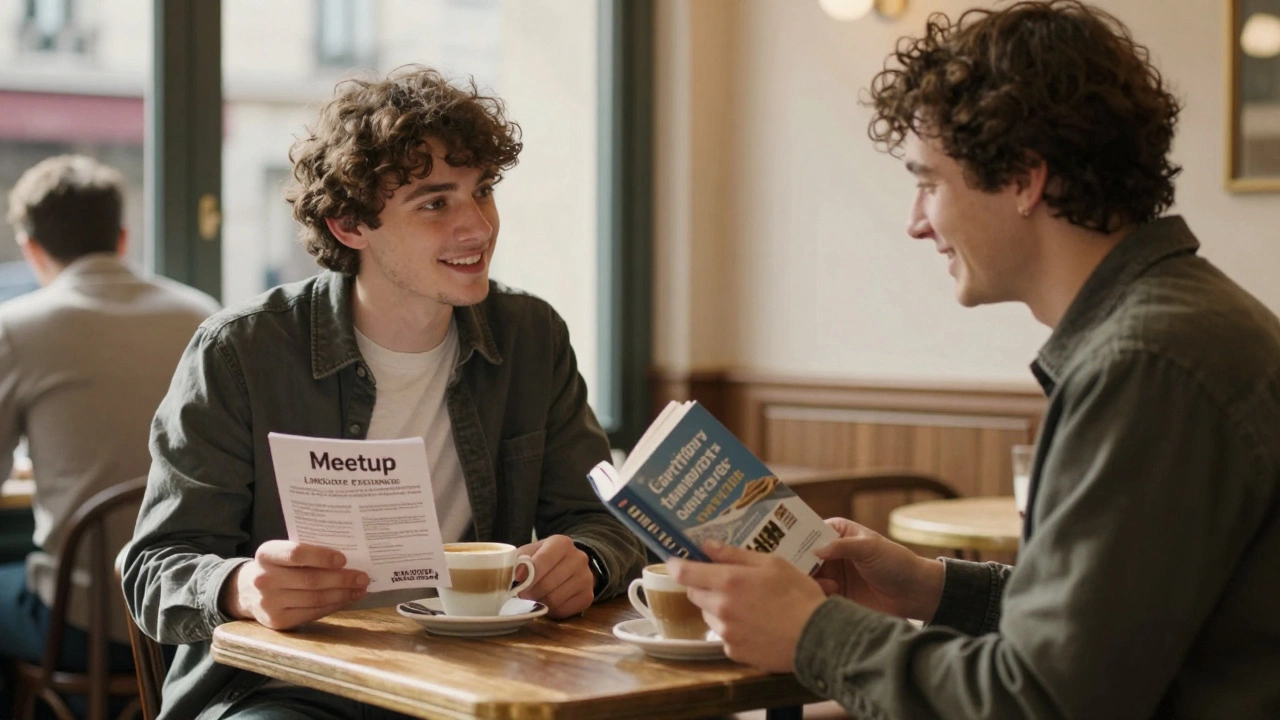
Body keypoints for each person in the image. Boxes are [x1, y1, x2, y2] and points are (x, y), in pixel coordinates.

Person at [669, 2, 1280, 718]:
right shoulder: (1176, 327)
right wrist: (929, 587)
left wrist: (813, 633)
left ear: (1024, 179)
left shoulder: (1147, 364)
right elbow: (1106, 636)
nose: (916, 222)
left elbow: (1043, 701)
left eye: (929, 182)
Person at [121, 66, 646, 720]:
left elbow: (605, 520)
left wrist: (589, 561)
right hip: (286, 688)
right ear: (349, 225)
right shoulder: (241, 351)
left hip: (474, 677)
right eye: (434, 203)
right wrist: (240, 586)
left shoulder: (531, 337)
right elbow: (154, 567)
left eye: (483, 191)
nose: (478, 226)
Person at [0, 155, 218, 707]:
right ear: (122, 237)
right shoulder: (201, 313)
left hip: (79, 624)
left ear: (31, 248)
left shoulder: (18, 327)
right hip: (190, 617)